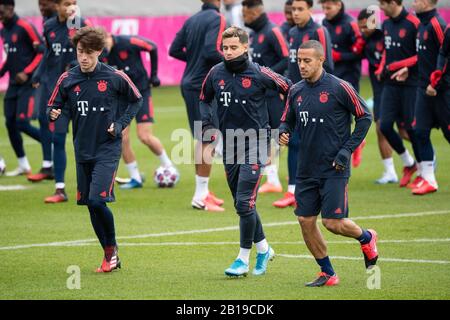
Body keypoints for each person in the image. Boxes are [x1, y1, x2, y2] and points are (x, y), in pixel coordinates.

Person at [279, 40, 378, 287]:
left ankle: (366, 237)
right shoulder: (296, 91)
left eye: (307, 61)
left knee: (333, 223)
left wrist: (347, 150)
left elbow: (365, 117)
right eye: (299, 61)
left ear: (321, 60)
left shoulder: (339, 87)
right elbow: (287, 120)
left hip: (335, 166)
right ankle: (328, 273)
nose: (301, 65)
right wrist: (283, 130)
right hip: (305, 168)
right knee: (305, 221)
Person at [48, 26, 143, 273]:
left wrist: (121, 124)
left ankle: (111, 251)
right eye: (80, 51)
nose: (84, 57)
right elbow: (52, 105)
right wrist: (53, 112)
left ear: (99, 51)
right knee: (90, 204)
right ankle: (110, 253)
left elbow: (137, 99)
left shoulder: (115, 76)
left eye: (89, 52)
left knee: (97, 200)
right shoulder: (67, 79)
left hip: (107, 148)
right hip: (82, 148)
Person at [200, 26, 291, 277]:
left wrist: (285, 125)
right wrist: (207, 123)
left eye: (233, 48)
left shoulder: (261, 73)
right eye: (225, 48)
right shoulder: (215, 73)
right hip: (230, 144)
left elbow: (291, 89)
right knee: (244, 205)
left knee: (243, 203)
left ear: (245, 47)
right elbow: (204, 98)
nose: (228, 52)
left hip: (258, 143)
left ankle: (242, 259)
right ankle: (264, 248)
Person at [29, 0, 91, 204]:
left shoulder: (80, 25)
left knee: (82, 143)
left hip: (81, 93)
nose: (71, 7)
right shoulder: (48, 27)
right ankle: (60, 189)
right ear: (57, 6)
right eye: (66, 3)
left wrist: (74, 64)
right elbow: (48, 53)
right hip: (60, 94)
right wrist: (38, 74)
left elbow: (96, 54)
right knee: (58, 139)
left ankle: (87, 188)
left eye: (74, 3)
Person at [273, 0, 333, 209]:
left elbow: (329, 66)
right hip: (296, 93)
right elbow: (291, 65)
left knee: (319, 142)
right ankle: (292, 191)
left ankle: (325, 185)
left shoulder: (320, 31)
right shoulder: (292, 32)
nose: (295, 13)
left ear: (310, 9)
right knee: (295, 141)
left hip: (318, 96)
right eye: (293, 10)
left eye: (300, 9)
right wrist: (287, 88)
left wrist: (323, 96)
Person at [169, 0, 226, 212]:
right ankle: (200, 197)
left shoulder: (192, 19)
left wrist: (193, 60)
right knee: (207, 138)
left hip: (190, 82)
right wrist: (232, 63)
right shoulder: (217, 18)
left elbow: (174, 50)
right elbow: (212, 51)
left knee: (205, 137)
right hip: (202, 85)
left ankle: (204, 191)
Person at [104, 33, 176, 189]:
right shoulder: (101, 55)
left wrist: (154, 74)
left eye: (105, 46)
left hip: (141, 93)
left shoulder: (128, 41)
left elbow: (152, 47)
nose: (104, 51)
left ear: (109, 38)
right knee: (122, 138)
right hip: (121, 99)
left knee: (145, 136)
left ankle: (169, 167)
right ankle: (135, 178)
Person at [242, 0, 289, 194]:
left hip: (273, 93)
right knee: (266, 134)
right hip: (260, 94)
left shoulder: (272, 31)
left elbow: (286, 58)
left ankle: (293, 175)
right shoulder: (253, 35)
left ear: (256, 12)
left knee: (281, 134)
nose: (245, 19)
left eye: (246, 15)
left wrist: (266, 78)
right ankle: (273, 179)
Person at [376, 0, 422, 189]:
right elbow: (387, 52)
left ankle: (424, 170)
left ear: (394, 2)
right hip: (390, 84)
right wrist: (381, 68)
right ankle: (409, 163)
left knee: (411, 129)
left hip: (411, 83)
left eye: (383, 4)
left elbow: (422, 54)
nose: (380, 8)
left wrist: (399, 66)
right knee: (384, 126)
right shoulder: (386, 24)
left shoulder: (414, 23)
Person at [319, 0, 366, 168]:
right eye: (323, 7)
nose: (325, 11)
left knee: (349, 114)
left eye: (328, 7)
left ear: (338, 5)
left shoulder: (350, 24)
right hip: (332, 75)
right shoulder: (324, 24)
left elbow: (361, 51)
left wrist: (341, 56)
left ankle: (355, 144)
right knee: (332, 114)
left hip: (349, 75)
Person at [0, 0, 43, 177]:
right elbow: (10, 57)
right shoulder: (4, 30)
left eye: (1, 12)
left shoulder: (25, 26)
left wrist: (27, 72)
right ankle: (23, 165)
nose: (0, 16)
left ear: (10, 8)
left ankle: (51, 143)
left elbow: (42, 51)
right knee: (9, 123)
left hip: (28, 84)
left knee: (22, 123)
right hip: (13, 85)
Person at [410, 0, 447, 195]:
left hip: (441, 91)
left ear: (425, 2)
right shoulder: (422, 24)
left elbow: (446, 54)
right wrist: (408, 70)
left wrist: (437, 83)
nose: (413, 3)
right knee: (419, 131)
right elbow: (423, 57)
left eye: (416, 0)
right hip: (423, 89)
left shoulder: (437, 24)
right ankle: (428, 179)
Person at [357, 9, 398, 184]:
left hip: (397, 88)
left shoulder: (386, 36)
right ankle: (391, 171)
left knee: (406, 130)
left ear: (373, 22)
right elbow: (354, 54)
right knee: (381, 128)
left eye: (365, 26)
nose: (363, 30)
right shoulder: (365, 41)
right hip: (379, 91)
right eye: (360, 27)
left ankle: (423, 160)